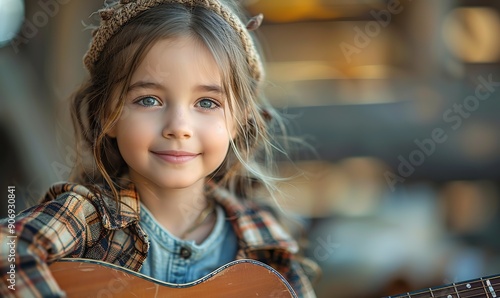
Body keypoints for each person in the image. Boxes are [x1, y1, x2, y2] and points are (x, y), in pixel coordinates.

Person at [0, 0, 319, 296]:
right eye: (148, 100)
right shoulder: (89, 219)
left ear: (238, 121)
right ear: (107, 115)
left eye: (206, 102)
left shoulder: (264, 242)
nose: (178, 127)